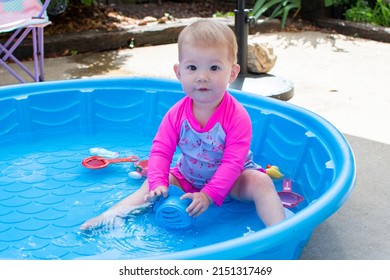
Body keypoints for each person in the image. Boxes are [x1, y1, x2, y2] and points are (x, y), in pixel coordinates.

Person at [79, 19, 285, 231]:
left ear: (232, 73)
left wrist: (208, 195)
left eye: (214, 67)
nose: (202, 77)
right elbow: (161, 151)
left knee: (261, 183)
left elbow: (232, 163)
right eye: (192, 67)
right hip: (188, 176)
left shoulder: (237, 117)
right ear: (179, 73)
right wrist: (159, 182)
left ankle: (281, 231)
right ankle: (110, 215)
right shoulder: (176, 114)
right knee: (149, 186)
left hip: (234, 180)